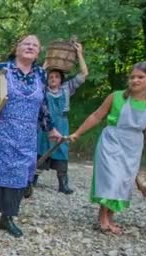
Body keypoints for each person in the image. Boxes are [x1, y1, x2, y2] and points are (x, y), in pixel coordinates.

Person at [0, 34, 62, 237]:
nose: (30, 47)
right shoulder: (1, 69)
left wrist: (51, 129)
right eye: (26, 43)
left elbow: (43, 105)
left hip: (27, 136)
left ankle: (6, 218)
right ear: (17, 48)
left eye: (35, 45)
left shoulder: (40, 75)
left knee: (18, 177)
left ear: (39, 51)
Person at [69, 61, 146, 235]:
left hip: (133, 145)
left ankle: (108, 216)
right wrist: (78, 133)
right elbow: (97, 116)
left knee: (123, 182)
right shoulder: (117, 96)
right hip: (112, 140)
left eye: (140, 77)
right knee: (111, 179)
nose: (135, 80)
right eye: (132, 77)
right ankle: (103, 219)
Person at [33, 42, 89, 194]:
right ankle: (32, 179)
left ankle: (63, 184)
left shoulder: (67, 88)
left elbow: (84, 74)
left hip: (62, 123)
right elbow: (35, 77)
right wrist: (47, 63)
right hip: (45, 125)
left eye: (56, 76)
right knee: (41, 148)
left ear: (61, 79)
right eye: (50, 76)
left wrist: (79, 54)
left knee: (62, 150)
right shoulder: (42, 89)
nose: (53, 79)